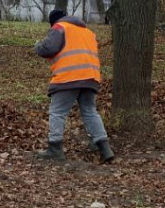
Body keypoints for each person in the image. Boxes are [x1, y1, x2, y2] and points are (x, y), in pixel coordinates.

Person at [34, 9, 114, 163]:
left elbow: (49, 48)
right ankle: (104, 148)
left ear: (54, 22)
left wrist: (38, 46)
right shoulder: (87, 32)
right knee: (90, 111)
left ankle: (54, 149)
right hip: (91, 77)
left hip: (68, 77)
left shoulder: (59, 27)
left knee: (57, 112)